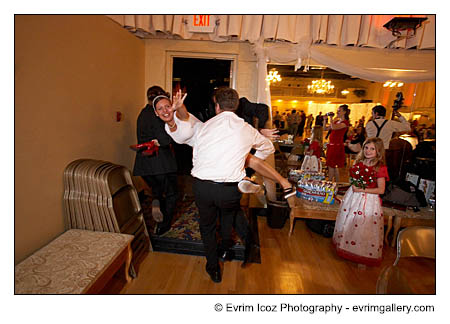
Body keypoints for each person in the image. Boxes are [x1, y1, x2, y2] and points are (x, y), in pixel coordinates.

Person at [156, 88, 294, 283]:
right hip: (230, 188)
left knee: (207, 227)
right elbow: (268, 147)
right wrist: (247, 168)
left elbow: (184, 134)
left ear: (217, 106)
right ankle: (227, 247)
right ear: (236, 106)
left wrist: (173, 119)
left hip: (202, 187)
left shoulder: (204, 127)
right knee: (229, 217)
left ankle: (213, 268)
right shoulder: (246, 129)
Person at [332, 137, 389, 267]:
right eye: (366, 148)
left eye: (372, 149)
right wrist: (354, 184)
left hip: (369, 201)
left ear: (378, 151)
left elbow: (381, 189)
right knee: (350, 221)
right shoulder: (359, 163)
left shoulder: (379, 167)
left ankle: (362, 254)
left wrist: (362, 189)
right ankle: (347, 247)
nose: (368, 151)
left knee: (364, 226)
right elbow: (353, 179)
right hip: (353, 197)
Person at [132, 86, 178, 236]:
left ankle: (156, 202)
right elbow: (164, 140)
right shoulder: (155, 115)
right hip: (161, 163)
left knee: (157, 190)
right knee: (171, 194)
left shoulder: (142, 113)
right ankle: (163, 226)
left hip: (144, 164)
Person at [324, 105, 350, 182]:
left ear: (344, 112)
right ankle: (337, 184)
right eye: (337, 110)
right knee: (333, 167)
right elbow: (325, 128)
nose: (337, 112)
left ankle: (329, 182)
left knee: (331, 166)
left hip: (336, 146)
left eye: (339, 110)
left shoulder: (345, 123)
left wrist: (331, 118)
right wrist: (325, 120)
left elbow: (334, 127)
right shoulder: (336, 121)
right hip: (331, 145)